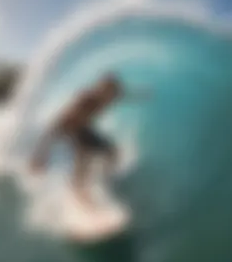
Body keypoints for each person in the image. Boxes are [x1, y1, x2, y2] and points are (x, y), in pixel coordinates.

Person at [30, 73, 149, 208]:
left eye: (113, 93)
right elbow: (55, 126)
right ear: (101, 90)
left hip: (84, 128)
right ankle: (79, 194)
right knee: (85, 157)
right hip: (68, 128)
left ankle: (104, 180)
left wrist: (141, 94)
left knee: (112, 152)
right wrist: (40, 155)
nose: (110, 98)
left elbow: (124, 96)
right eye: (109, 92)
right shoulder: (86, 100)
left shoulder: (111, 96)